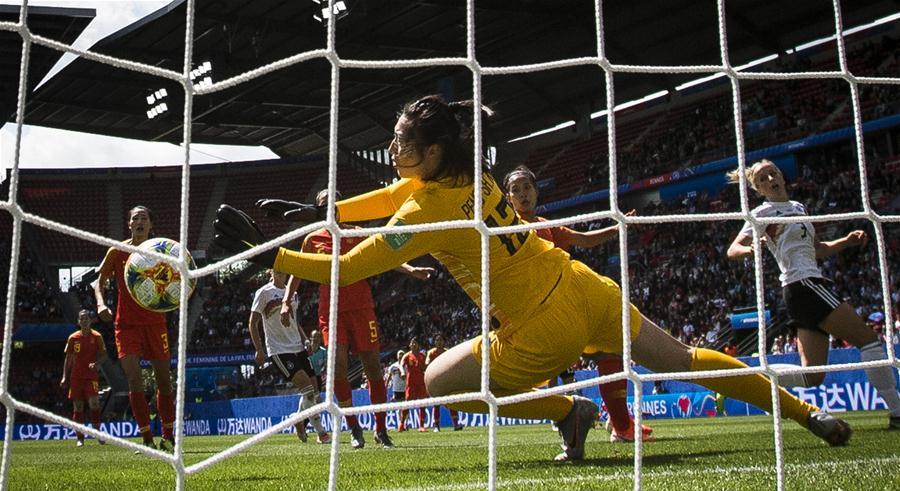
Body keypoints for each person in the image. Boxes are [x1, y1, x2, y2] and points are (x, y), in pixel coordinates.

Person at [214, 94, 851, 462]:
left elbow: (351, 265)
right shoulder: (470, 173)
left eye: (403, 143)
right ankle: (808, 416)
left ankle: (567, 408)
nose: (395, 151)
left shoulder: (427, 207)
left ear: (431, 152)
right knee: (683, 359)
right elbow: (391, 194)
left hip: (541, 328)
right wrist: (320, 215)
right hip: (581, 286)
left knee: (438, 384)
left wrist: (269, 256)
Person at [726, 159, 900, 429]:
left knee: (812, 376)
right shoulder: (762, 213)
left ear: (781, 176)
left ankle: (743, 377)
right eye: (762, 178)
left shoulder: (798, 208)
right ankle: (898, 412)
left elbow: (817, 249)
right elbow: (732, 250)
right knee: (868, 341)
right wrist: (752, 249)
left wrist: (846, 242)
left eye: (772, 173)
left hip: (801, 291)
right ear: (758, 189)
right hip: (804, 285)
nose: (770, 179)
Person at [504, 165, 649, 444]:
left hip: (567, 306)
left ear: (536, 192)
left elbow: (583, 240)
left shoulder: (546, 226)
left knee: (610, 351)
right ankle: (580, 417)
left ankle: (619, 422)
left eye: (527, 187)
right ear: (508, 199)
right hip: (535, 315)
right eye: (515, 190)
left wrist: (617, 227)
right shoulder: (506, 228)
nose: (522, 194)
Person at [279, 189, 433, 449]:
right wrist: (286, 301)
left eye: (334, 203)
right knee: (337, 367)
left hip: (362, 308)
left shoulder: (357, 232)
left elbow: (383, 255)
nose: (330, 207)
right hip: (331, 311)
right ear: (318, 210)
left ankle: (381, 429)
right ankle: (353, 427)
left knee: (372, 367)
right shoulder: (312, 240)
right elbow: (297, 270)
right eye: (324, 204)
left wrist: (410, 269)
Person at [95, 205, 176, 452]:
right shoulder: (117, 251)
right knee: (134, 379)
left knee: (164, 381)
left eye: (144, 218)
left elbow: (179, 277)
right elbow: (99, 281)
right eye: (135, 218)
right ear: (129, 224)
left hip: (155, 323)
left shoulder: (162, 251)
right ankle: (146, 437)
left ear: (151, 225)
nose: (139, 221)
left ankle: (168, 435)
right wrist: (100, 304)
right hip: (126, 325)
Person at [250, 269, 330, 444]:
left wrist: (305, 340)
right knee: (308, 390)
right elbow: (253, 322)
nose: (280, 271)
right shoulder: (263, 293)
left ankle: (299, 420)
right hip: (279, 350)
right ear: (271, 271)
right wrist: (259, 349)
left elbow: (295, 321)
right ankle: (322, 432)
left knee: (315, 393)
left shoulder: (291, 292)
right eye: (276, 268)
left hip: (298, 346)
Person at [61, 310, 107, 447]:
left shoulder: (97, 336)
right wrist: (65, 376)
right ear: (78, 322)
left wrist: (97, 364)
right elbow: (68, 358)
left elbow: (104, 355)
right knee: (78, 406)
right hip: (76, 377)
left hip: (91, 376)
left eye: (86, 318)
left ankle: (97, 433)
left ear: (90, 320)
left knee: (94, 403)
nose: (84, 321)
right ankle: (80, 438)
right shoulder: (73, 338)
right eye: (82, 319)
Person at [425, 334, 461, 431]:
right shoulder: (431, 353)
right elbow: (427, 363)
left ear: (444, 342)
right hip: (435, 380)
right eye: (437, 340)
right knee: (436, 403)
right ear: (434, 342)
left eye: (441, 340)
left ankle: (456, 424)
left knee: (451, 401)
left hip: (446, 380)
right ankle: (436, 426)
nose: (439, 342)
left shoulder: (447, 352)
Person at [400, 338, 428, 432]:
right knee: (407, 403)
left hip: (421, 382)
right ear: (410, 345)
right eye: (412, 343)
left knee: (423, 403)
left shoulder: (422, 356)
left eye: (415, 343)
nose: (413, 344)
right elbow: (401, 365)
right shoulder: (407, 355)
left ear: (418, 345)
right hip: (411, 383)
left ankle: (422, 426)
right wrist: (402, 372)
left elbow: (425, 367)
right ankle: (401, 424)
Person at [386, 349, 407, 430]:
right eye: (399, 354)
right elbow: (389, 376)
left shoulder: (407, 365)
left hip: (405, 389)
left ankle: (405, 424)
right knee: (399, 407)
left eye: (402, 354)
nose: (401, 355)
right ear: (397, 356)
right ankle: (400, 424)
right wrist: (386, 385)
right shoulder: (393, 366)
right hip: (397, 390)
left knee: (406, 407)